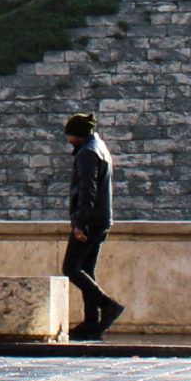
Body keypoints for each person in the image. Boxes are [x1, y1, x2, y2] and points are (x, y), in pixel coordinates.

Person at [61, 113, 124, 340]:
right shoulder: (98, 147)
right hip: (101, 219)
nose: (68, 139)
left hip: (90, 221)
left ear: (78, 134)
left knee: (70, 268)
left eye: (70, 135)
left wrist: (80, 223)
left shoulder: (87, 153)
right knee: (86, 270)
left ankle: (108, 305)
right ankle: (91, 322)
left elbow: (88, 190)